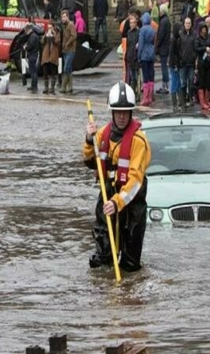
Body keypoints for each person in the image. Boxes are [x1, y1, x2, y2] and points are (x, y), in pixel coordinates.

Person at [83, 82, 151, 272]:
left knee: (130, 262)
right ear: (112, 112)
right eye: (118, 112)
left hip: (131, 200)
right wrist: (89, 140)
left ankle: (130, 293)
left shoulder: (139, 141)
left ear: (130, 113)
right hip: (108, 193)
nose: (121, 116)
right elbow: (90, 161)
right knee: (104, 255)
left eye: (125, 112)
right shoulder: (103, 133)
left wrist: (118, 202)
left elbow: (136, 180)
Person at [179, 17, 197, 109]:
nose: (188, 25)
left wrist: (194, 56)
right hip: (183, 63)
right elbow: (178, 48)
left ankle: (190, 98)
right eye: (186, 23)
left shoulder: (194, 34)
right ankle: (183, 100)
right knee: (183, 83)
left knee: (191, 81)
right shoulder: (181, 34)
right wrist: (180, 59)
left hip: (191, 62)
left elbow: (195, 47)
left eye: (189, 23)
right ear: (184, 24)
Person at [41, 21, 61, 94]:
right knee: (45, 72)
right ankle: (46, 88)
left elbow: (57, 42)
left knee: (53, 72)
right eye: (48, 27)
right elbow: (42, 42)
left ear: (53, 27)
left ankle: (52, 88)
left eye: (50, 27)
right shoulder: (46, 33)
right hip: (46, 56)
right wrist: (46, 36)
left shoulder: (57, 33)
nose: (49, 28)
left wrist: (53, 36)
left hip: (53, 56)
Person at [60, 10, 76, 94]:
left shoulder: (70, 24)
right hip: (65, 50)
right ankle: (70, 87)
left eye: (64, 17)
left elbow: (74, 36)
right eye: (62, 17)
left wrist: (67, 43)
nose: (63, 18)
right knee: (69, 68)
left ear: (68, 17)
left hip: (70, 50)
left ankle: (63, 86)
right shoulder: (64, 26)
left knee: (66, 67)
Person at [156, 3, 171, 94]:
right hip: (166, 46)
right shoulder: (167, 21)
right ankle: (165, 85)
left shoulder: (163, 22)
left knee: (164, 67)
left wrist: (157, 45)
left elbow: (160, 35)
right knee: (164, 66)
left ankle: (165, 86)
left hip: (163, 47)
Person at [126, 14, 140, 99]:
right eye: (131, 23)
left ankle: (137, 93)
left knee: (136, 77)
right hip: (130, 57)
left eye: (134, 23)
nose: (132, 24)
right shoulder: (128, 32)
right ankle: (133, 93)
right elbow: (128, 45)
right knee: (131, 77)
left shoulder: (139, 32)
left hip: (136, 58)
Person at [169, 22, 182, 111]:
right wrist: (175, 65)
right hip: (174, 65)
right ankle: (175, 104)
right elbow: (173, 54)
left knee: (177, 83)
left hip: (175, 64)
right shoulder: (174, 40)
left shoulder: (176, 39)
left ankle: (179, 102)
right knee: (175, 83)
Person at [24, 23, 40, 93]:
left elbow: (31, 46)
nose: (26, 33)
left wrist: (26, 47)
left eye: (26, 31)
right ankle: (33, 85)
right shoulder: (33, 36)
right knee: (33, 71)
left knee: (33, 71)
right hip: (33, 55)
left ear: (28, 30)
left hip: (32, 55)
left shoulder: (32, 36)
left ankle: (34, 86)